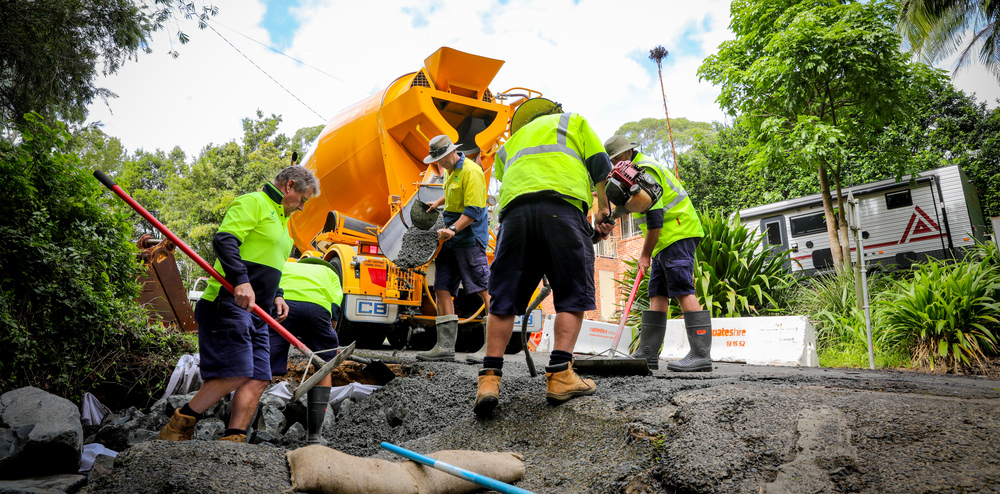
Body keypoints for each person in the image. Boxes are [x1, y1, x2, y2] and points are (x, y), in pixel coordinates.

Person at [474, 98, 614, 417]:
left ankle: (489, 379)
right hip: (562, 210)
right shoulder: (571, 122)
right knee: (572, 296)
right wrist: (602, 210)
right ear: (553, 113)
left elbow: (513, 180)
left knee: (504, 299)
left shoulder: (510, 144)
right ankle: (561, 375)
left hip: (514, 218)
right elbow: (601, 168)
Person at [158, 165, 319, 442]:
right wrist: (241, 280)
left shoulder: (283, 221)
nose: (303, 207)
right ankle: (178, 425)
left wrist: (278, 293)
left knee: (258, 377)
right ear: (290, 186)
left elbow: (271, 263)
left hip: (258, 311)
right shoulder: (253, 202)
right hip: (228, 301)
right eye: (303, 199)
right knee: (236, 372)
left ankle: (234, 439)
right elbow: (225, 239)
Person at [603, 135, 711, 372]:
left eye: (618, 158)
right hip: (665, 240)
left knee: (683, 290)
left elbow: (655, 219)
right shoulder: (629, 173)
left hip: (677, 232)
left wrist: (644, 255)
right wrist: (609, 221)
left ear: (629, 152)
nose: (616, 163)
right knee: (657, 293)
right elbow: (628, 206)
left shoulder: (645, 172)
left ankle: (701, 355)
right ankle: (648, 354)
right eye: (612, 160)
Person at [417, 135, 491, 362]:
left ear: (452, 152)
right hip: (450, 238)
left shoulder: (471, 171)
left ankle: (492, 349)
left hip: (468, 238)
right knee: (442, 288)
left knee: (484, 289)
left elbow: (475, 210)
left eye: (442, 157)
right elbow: (453, 193)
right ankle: (445, 348)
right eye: (436, 159)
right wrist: (438, 203)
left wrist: (454, 230)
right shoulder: (450, 171)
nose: (440, 162)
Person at [269, 253, 343, 444]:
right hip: (317, 310)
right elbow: (333, 312)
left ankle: (241, 428)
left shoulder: (288, 265)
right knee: (324, 364)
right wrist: (328, 344)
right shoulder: (331, 274)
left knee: (263, 362)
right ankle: (314, 436)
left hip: (282, 307)